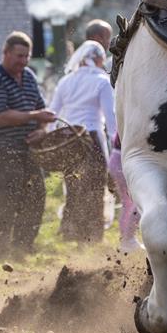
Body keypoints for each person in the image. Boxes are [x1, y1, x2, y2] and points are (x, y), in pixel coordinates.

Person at [0, 31, 56, 259]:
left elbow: (42, 111)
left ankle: (22, 247)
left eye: (26, 56)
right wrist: (35, 116)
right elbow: (1, 117)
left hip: (28, 150)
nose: (23, 61)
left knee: (35, 197)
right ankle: (2, 250)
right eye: (19, 56)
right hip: (1, 151)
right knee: (5, 201)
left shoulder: (29, 76)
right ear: (5, 53)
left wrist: (41, 130)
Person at [48, 41, 116, 243]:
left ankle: (71, 230)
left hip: (68, 139)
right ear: (97, 59)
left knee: (73, 184)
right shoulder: (102, 81)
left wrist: (50, 139)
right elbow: (111, 119)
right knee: (94, 186)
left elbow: (52, 113)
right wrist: (116, 144)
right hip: (91, 137)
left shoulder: (66, 81)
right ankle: (92, 234)